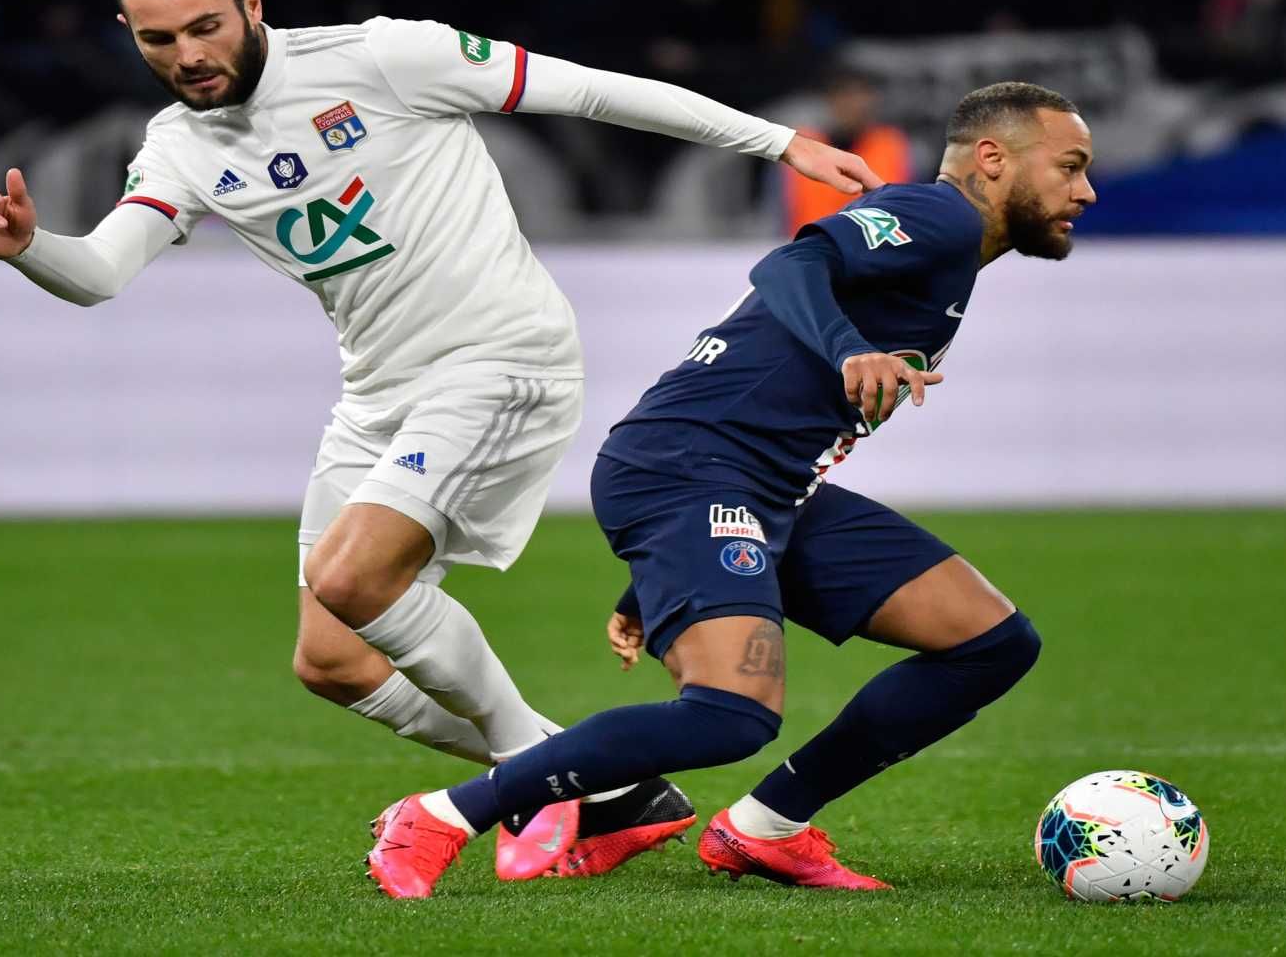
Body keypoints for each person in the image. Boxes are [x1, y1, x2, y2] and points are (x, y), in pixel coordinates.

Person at [0, 0, 880, 880]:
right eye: (159, 40)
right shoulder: (179, 146)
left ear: (253, 4)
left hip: (500, 355)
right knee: (330, 657)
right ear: (127, 33)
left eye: (206, 26)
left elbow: (592, 89)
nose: (188, 56)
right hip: (380, 389)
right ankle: (596, 781)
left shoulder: (388, 57)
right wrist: (30, 246)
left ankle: (541, 780)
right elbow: (103, 271)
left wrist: (779, 142)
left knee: (355, 583)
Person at [365, 82, 1093, 898]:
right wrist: (851, 349)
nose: (1085, 191)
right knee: (728, 715)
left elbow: (769, 394)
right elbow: (792, 261)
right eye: (1069, 167)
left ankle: (766, 829)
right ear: (992, 159)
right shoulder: (940, 218)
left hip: (755, 486)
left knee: (990, 642)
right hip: (691, 468)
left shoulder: (949, 255)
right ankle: (442, 814)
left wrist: (653, 579)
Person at [780, 66, 915, 239]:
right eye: (846, 96)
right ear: (830, 100)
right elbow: (777, 212)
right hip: (810, 251)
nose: (854, 105)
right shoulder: (800, 146)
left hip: (878, 253)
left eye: (861, 96)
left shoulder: (894, 146)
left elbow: (913, 208)